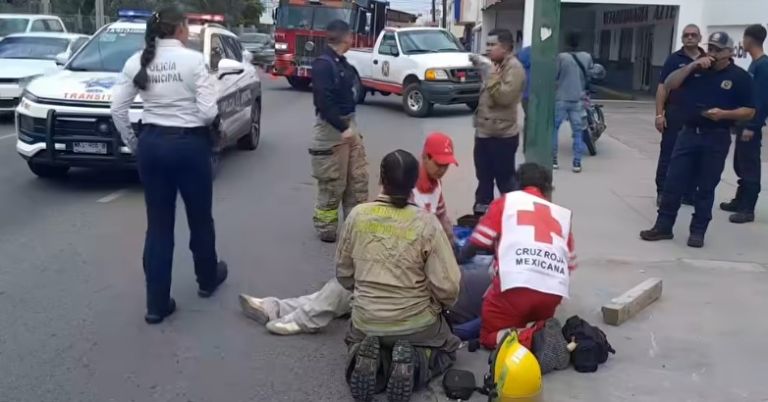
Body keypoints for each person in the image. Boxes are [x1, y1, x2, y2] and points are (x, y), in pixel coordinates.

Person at [239, 134, 490, 339]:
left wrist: (453, 247)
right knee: (346, 287)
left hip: (412, 269)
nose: (443, 169)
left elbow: (443, 222)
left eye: (447, 165)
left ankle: (285, 311)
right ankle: (283, 310)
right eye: (440, 163)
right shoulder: (403, 188)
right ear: (425, 158)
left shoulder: (434, 189)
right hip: (397, 259)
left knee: (347, 287)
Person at [111, 5, 228, 324]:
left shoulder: (136, 61)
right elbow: (206, 114)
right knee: (200, 218)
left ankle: (156, 305)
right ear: (179, 29)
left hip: (152, 144)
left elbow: (117, 109)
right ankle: (207, 279)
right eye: (187, 26)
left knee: (159, 227)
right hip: (190, 146)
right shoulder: (193, 61)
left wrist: (136, 145)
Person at [339, 149, 461, 402]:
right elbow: (448, 287)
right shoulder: (427, 224)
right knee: (447, 347)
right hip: (415, 323)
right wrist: (438, 306)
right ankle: (416, 362)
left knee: (355, 335)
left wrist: (365, 292)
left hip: (367, 319)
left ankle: (367, 358)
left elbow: (343, 274)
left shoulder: (357, 216)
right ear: (413, 183)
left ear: (381, 179)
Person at [640, 32, 756, 248]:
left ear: (729, 53)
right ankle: (663, 226)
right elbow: (669, 84)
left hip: (716, 137)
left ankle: (698, 231)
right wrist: (692, 67)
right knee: (673, 182)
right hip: (688, 133)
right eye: (710, 48)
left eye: (717, 50)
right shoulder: (696, 71)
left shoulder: (739, 77)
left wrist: (724, 114)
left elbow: (749, 111)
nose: (712, 53)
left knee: (706, 186)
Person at [459, 163, 576, 349]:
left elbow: (477, 242)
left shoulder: (506, 202)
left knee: (487, 335)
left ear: (518, 184)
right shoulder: (561, 215)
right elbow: (568, 265)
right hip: (551, 294)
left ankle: (524, 336)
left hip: (514, 291)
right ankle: (539, 330)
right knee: (533, 313)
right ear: (547, 189)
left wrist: (459, 257)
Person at [310, 19, 369, 243]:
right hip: (332, 130)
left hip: (348, 126)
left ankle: (354, 226)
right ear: (346, 37)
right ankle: (326, 228)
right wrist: (343, 128)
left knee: (357, 179)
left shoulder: (342, 63)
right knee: (332, 184)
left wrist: (349, 128)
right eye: (351, 35)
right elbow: (323, 102)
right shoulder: (324, 65)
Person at [469, 28, 526, 214]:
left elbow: (504, 97)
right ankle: (483, 216)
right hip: (484, 133)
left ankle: (512, 215)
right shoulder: (496, 65)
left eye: (493, 45)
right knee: (483, 178)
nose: (488, 49)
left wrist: (490, 74)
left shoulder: (514, 68)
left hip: (502, 137)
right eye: (487, 45)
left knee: (505, 181)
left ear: (506, 47)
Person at [720, 24, 768, 224]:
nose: (742, 42)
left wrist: (752, 126)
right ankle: (740, 201)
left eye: (744, 38)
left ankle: (747, 208)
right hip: (743, 123)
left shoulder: (763, 66)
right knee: (740, 163)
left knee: (749, 166)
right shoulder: (755, 64)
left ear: (749, 40)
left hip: (751, 126)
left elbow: (761, 100)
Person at [655, 24, 704, 207]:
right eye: (686, 35)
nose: (689, 38)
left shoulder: (708, 59)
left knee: (695, 156)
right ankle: (663, 192)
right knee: (669, 154)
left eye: (693, 35)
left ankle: (689, 193)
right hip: (675, 114)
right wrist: (660, 115)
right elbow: (662, 88)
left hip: (698, 116)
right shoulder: (674, 59)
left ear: (700, 38)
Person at [553, 31, 593, 172]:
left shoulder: (561, 57)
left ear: (566, 43)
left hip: (561, 98)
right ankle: (577, 163)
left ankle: (554, 160)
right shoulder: (587, 57)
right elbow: (590, 74)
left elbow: (555, 76)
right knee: (578, 132)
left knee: (555, 129)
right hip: (578, 99)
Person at [517, 45, 532, 153]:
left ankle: (526, 147)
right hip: (537, 93)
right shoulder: (541, 53)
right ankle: (535, 146)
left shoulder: (524, 52)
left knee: (528, 120)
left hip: (525, 93)